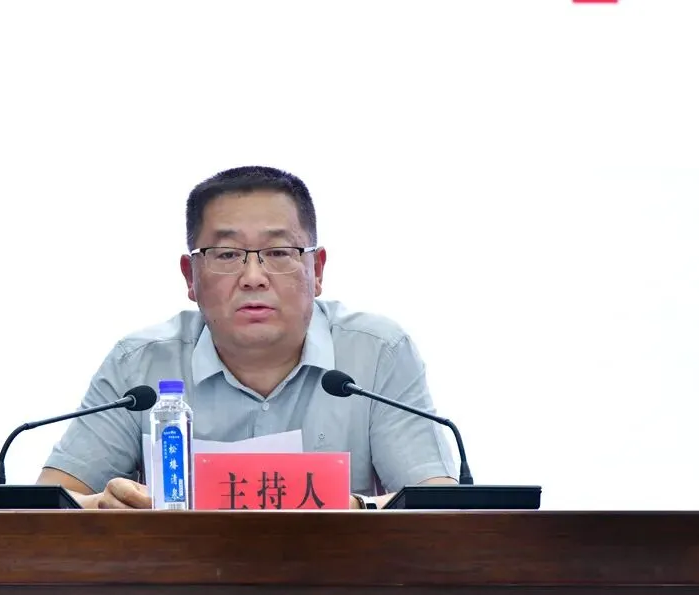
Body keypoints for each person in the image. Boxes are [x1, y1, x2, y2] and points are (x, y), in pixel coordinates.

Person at [37, 165, 458, 509]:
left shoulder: (377, 352)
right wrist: (101, 505)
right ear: (190, 277)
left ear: (317, 271)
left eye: (278, 253)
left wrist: (356, 508)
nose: (253, 277)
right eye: (226, 255)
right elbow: (46, 506)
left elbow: (439, 507)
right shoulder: (141, 365)